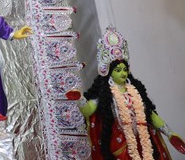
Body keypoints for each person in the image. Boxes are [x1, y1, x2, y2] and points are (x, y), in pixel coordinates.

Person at [66, 26, 185, 160]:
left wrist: (170, 133)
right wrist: (79, 98)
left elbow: (150, 114)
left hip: (143, 141)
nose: (123, 73)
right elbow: (88, 110)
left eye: (124, 69)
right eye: (118, 70)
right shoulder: (105, 92)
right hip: (120, 145)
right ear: (109, 72)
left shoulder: (135, 90)